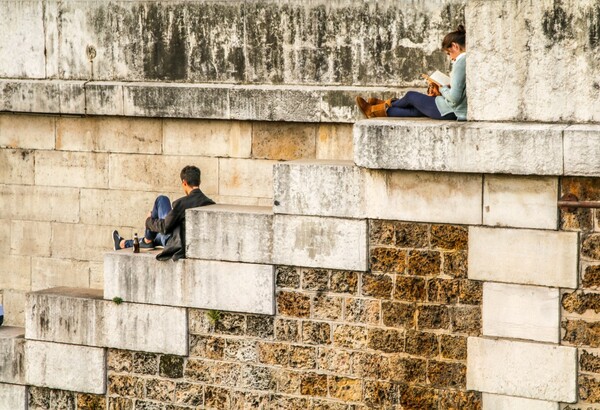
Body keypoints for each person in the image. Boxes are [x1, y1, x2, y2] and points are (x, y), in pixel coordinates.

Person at [356, 25, 467, 121]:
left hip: (450, 110)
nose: (451, 58)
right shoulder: (469, 60)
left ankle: (380, 106)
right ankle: (374, 111)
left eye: (449, 53)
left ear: (455, 46)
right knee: (414, 110)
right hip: (456, 112)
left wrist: (442, 88)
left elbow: (454, 98)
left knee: (411, 96)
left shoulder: (460, 62)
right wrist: (447, 87)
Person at [112, 165, 215, 261]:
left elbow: (165, 227)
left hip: (176, 243)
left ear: (184, 183)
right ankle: (128, 243)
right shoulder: (210, 203)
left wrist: (149, 221)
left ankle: (141, 241)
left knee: (161, 200)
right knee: (154, 239)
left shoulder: (182, 203)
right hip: (189, 242)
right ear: (199, 181)